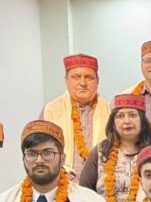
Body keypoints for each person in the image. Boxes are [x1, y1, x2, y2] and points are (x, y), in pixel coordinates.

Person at [42, 53, 111, 181]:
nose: (83, 83)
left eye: (89, 77)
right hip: (63, 182)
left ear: (98, 81)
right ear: (66, 80)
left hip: (102, 182)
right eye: (76, 77)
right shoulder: (51, 110)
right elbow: (42, 151)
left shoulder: (110, 110)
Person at [80, 94, 151, 202]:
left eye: (132, 115)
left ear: (142, 121)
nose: (127, 121)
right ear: (113, 123)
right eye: (120, 116)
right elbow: (84, 192)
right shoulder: (100, 152)